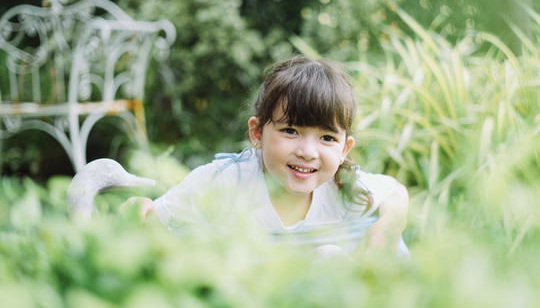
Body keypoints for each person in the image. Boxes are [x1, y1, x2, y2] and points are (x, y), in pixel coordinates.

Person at [126, 55, 409, 258]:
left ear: (344, 148)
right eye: (290, 130)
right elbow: (157, 218)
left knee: (330, 257)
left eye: (326, 138)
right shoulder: (226, 180)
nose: (307, 152)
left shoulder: (343, 186)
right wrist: (141, 208)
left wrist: (388, 227)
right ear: (257, 133)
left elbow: (395, 192)